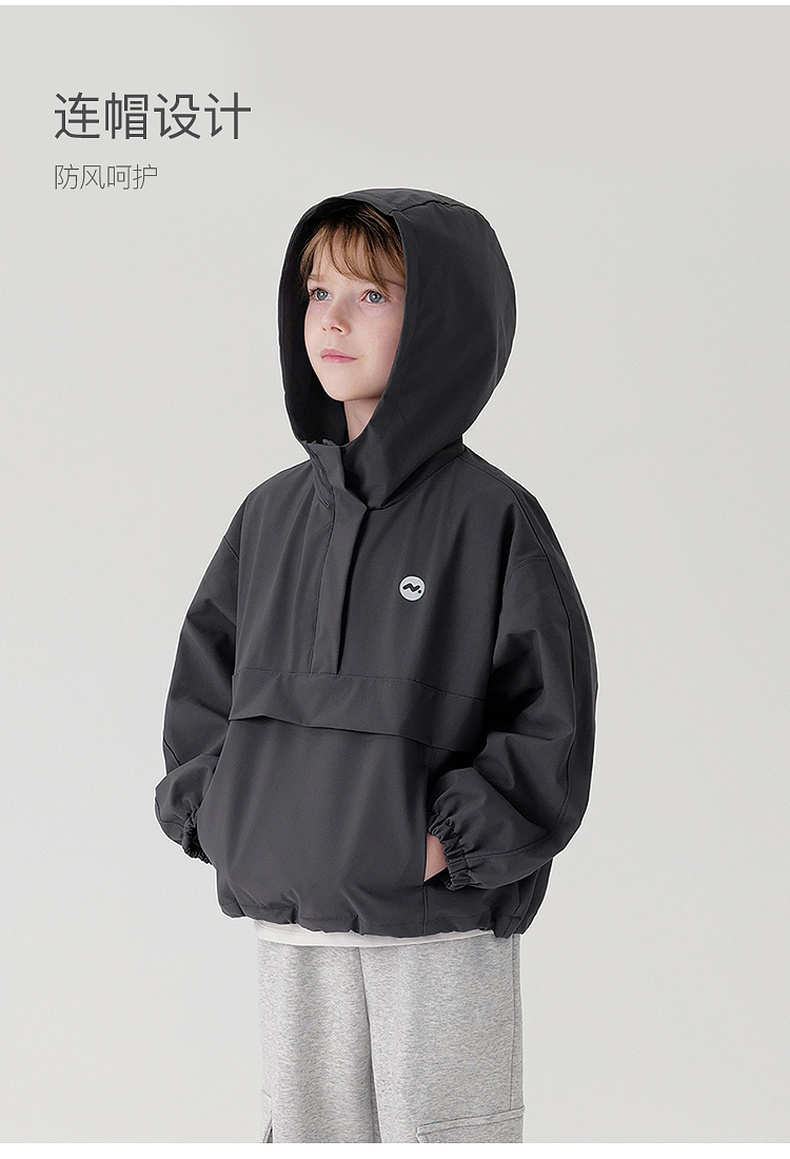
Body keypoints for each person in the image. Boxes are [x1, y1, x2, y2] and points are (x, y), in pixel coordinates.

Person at [155, 187, 598, 1144]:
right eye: (318, 292)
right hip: (292, 919)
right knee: (306, 1134)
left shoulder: (493, 519)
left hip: (436, 928)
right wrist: (224, 815)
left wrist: (438, 843)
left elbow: (550, 722)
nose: (333, 319)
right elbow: (203, 684)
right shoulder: (270, 515)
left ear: (439, 323)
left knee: (445, 1133)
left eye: (372, 295)